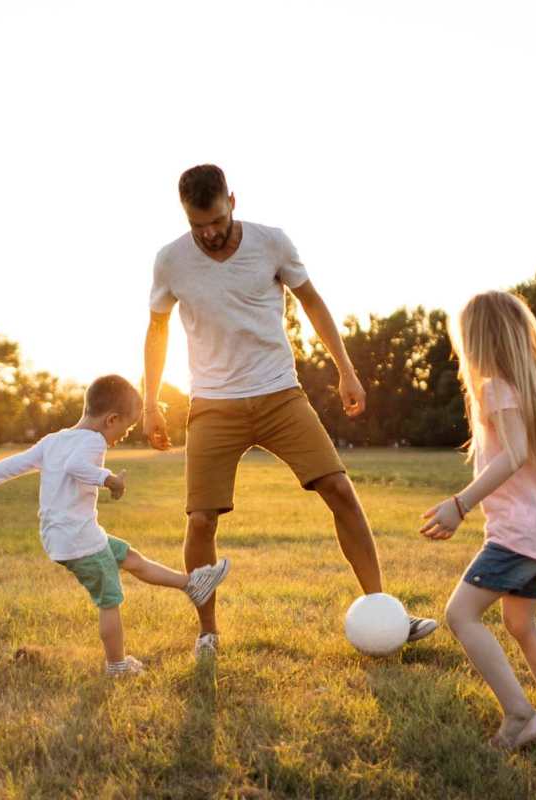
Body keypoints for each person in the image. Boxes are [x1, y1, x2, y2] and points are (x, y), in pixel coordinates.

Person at [143, 163, 437, 658]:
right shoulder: (171, 260)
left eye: (216, 220)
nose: (210, 234)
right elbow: (157, 329)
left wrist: (346, 369)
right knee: (200, 521)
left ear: (232, 201)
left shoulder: (272, 242)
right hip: (213, 403)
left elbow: (313, 303)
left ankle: (385, 610)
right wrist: (149, 401)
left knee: (340, 490)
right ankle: (207, 632)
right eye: (199, 226)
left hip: (280, 392)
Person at [0, 374, 230, 677]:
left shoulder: (53, 440)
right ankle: (117, 665)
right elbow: (76, 467)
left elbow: (12, 465)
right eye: (127, 427)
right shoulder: (93, 441)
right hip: (79, 539)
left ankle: (192, 585)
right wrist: (110, 480)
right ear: (111, 419)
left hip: (65, 537)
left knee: (130, 557)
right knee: (110, 599)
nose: (124, 434)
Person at [419, 291, 536, 749]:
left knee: (460, 615)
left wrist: (460, 504)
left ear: (477, 341)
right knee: (521, 625)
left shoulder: (496, 389)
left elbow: (514, 456)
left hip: (520, 535)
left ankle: (521, 716)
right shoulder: (520, 388)